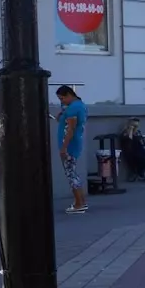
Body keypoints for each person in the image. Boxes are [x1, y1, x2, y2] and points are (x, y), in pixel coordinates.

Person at [56, 85, 88, 214]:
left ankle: (79, 204)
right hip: (74, 143)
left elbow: (70, 130)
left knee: (71, 174)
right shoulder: (79, 105)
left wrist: (63, 148)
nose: (61, 101)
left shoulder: (73, 109)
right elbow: (61, 120)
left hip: (70, 145)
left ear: (69, 95)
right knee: (73, 173)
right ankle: (81, 202)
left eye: (62, 98)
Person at [120, 118, 145, 183]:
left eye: (137, 126)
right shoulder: (125, 133)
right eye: (134, 126)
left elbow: (142, 143)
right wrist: (130, 130)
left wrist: (138, 135)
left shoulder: (137, 132)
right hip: (132, 152)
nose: (136, 128)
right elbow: (129, 141)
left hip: (140, 150)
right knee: (144, 158)